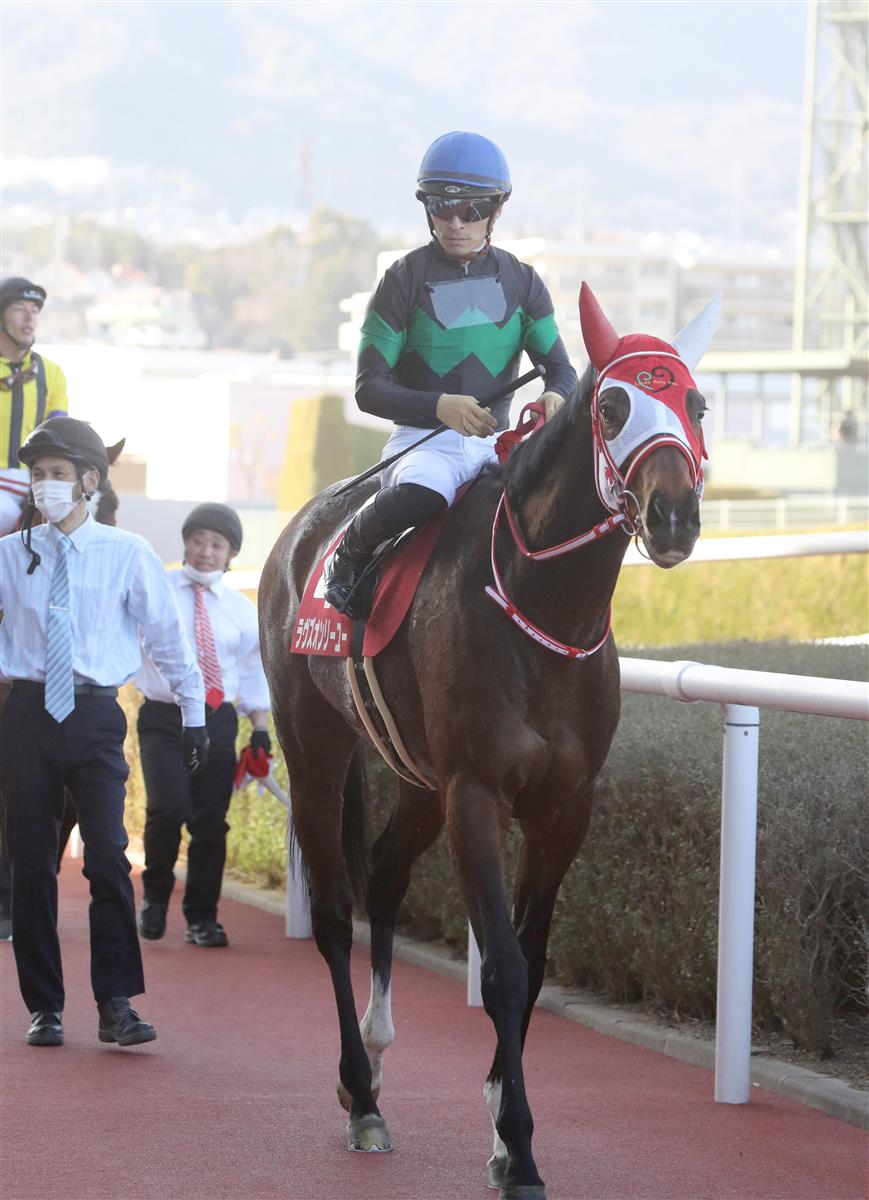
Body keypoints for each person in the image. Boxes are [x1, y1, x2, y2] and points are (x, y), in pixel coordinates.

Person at [0, 417, 209, 1048]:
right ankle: (45, 1007)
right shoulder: (10, 554)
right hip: (28, 715)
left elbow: (167, 640)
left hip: (94, 717)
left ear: (90, 481)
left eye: (58, 474)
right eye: (38, 475)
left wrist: (193, 714)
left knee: (109, 858)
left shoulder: (128, 553)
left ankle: (116, 1003)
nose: (45, 485)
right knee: (31, 863)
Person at [324, 131, 578, 615]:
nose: (456, 223)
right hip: (423, 445)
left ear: (497, 211)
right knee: (427, 495)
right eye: (443, 207)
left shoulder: (524, 282)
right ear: (427, 208)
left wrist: (555, 397)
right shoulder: (402, 279)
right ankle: (350, 552)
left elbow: (561, 369)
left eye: (473, 210)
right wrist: (440, 407)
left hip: (497, 446)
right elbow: (368, 388)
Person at [136, 503, 272, 949]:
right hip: (164, 717)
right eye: (198, 541)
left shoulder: (240, 609)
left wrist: (259, 729)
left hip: (217, 720)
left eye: (217, 544)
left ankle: (202, 918)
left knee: (210, 822)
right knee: (168, 808)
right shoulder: (159, 591)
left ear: (231, 553)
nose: (206, 551)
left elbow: (252, 672)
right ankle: (155, 897)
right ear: (186, 543)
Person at [0, 278, 69, 536]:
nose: (29, 318)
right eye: (19, 308)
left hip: (37, 482)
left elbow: (59, 436)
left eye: (35, 310)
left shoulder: (52, 374)